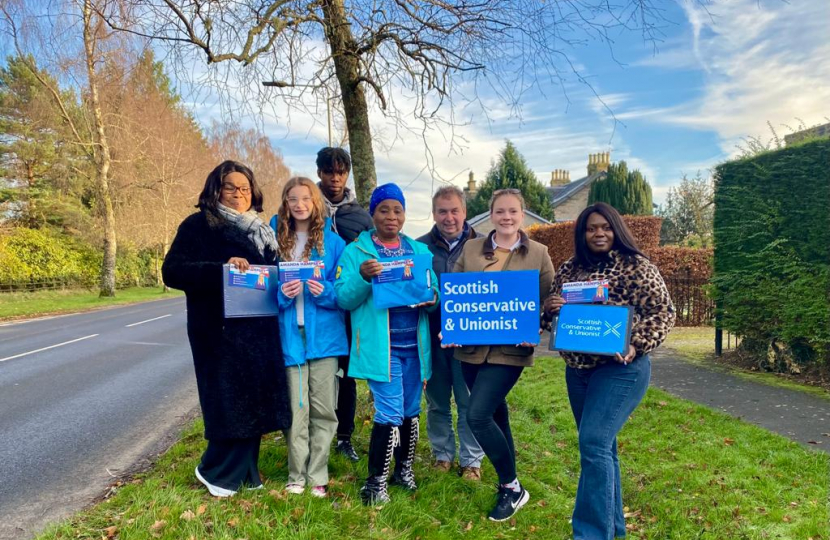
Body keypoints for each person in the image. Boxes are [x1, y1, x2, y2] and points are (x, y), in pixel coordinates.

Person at [543, 202, 676, 540]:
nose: (598, 233)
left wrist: (637, 343)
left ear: (616, 229)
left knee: (593, 443)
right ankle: (614, 528)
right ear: (582, 233)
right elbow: (552, 324)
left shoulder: (637, 267)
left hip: (620, 370)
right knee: (603, 448)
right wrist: (550, 308)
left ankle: (589, 534)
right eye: (591, 228)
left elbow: (663, 312)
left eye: (605, 227)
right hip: (578, 371)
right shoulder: (569, 269)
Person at [162, 160, 291, 497]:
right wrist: (222, 269)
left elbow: (270, 276)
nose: (238, 193)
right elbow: (173, 271)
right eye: (231, 187)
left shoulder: (261, 230)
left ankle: (246, 473)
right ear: (216, 189)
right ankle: (216, 471)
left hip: (259, 330)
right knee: (227, 401)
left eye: (245, 188)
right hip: (219, 332)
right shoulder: (199, 225)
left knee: (254, 402)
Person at [449, 188, 554, 522]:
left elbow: (549, 301)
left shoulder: (539, 253)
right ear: (491, 214)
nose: (506, 217)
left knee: (477, 415)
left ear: (522, 215)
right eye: (500, 211)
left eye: (513, 212)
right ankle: (508, 482)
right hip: (471, 349)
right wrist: (450, 327)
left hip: (510, 351)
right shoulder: (471, 248)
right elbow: (457, 293)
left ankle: (511, 486)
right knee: (496, 413)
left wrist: (538, 325)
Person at [335, 183, 439, 505]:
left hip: (415, 349)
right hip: (383, 349)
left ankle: (402, 471)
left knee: (410, 411)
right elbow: (342, 298)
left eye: (397, 210)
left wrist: (431, 299)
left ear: (405, 214)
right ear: (372, 213)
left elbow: (432, 291)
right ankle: (374, 483)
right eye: (384, 210)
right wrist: (363, 277)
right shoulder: (356, 252)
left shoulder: (419, 252)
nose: (391, 216)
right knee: (390, 411)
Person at [270, 177, 348, 498]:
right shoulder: (277, 242)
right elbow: (265, 291)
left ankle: (317, 475)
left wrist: (325, 290)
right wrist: (283, 294)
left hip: (325, 339)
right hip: (291, 336)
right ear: (285, 204)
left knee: (324, 410)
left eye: (306, 198)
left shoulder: (335, 244)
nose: (300, 205)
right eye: (292, 199)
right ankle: (295, 475)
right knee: (295, 409)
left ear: (316, 202)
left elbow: (345, 293)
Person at [416, 186, 485, 480]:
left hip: (471, 341)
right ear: (434, 214)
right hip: (432, 338)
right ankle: (442, 455)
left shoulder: (485, 245)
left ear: (465, 212)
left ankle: (472, 461)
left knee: (470, 402)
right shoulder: (419, 248)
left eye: (455, 210)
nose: (449, 217)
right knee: (437, 402)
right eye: (442, 211)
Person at [316, 147, 373, 462]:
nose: (335, 178)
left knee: (347, 374)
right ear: (320, 174)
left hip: (350, 308)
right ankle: (314, 430)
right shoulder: (307, 208)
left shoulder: (360, 216)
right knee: (317, 371)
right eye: (329, 171)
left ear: (347, 174)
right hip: (317, 308)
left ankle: (344, 438)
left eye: (340, 172)